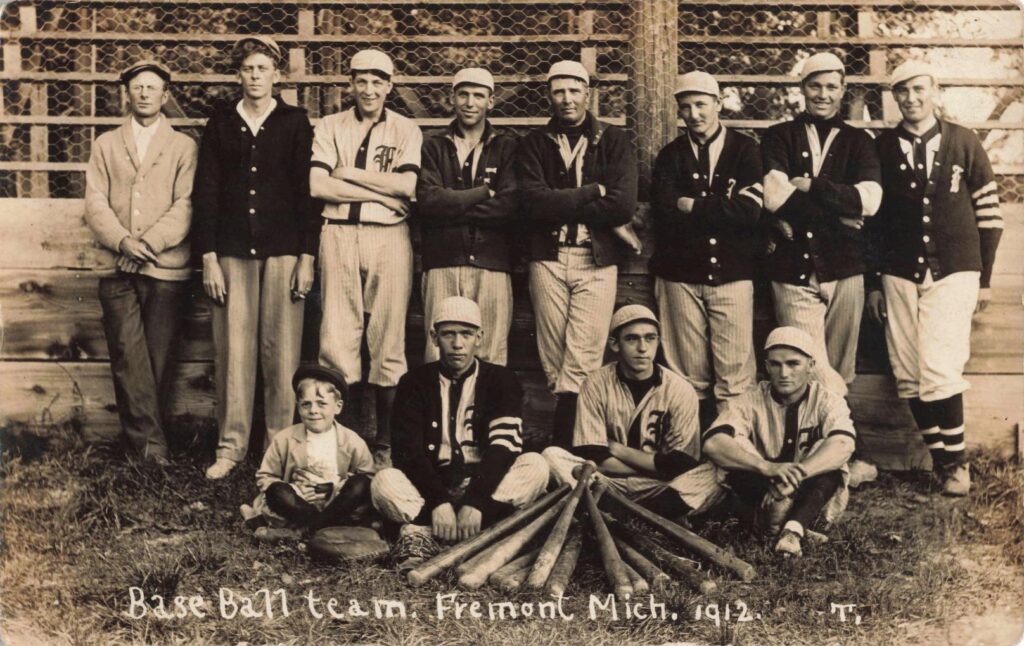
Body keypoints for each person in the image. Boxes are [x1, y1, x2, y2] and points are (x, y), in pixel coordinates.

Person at [865, 61, 1003, 496]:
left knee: (941, 365)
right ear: (894, 97)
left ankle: (956, 465)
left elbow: (989, 212)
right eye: (902, 91)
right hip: (899, 271)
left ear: (934, 90)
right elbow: (872, 223)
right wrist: (873, 283)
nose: (911, 98)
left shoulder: (963, 140)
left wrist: (984, 278)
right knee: (907, 369)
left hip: (955, 268)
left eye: (919, 89)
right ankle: (943, 462)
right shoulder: (882, 147)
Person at [193, 35, 318, 480]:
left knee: (282, 355)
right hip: (231, 253)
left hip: (285, 252)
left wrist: (307, 256)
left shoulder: (294, 121)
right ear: (238, 75)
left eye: (263, 69)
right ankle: (230, 448)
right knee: (234, 352)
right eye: (247, 69)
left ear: (276, 75)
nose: (255, 76)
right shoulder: (221, 122)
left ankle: (279, 450)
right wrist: (208, 256)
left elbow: (307, 193)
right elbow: (206, 191)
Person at [370, 297, 549, 571]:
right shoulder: (413, 382)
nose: (457, 344)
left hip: (484, 486)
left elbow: (504, 446)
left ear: (479, 337)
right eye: (448, 334)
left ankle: (425, 534)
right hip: (431, 488)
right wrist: (439, 502)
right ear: (434, 337)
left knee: (536, 466)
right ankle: (481, 533)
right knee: (384, 481)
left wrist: (475, 502)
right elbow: (408, 452)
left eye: (466, 334)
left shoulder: (501, 380)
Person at [517, 60, 639, 448]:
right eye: (559, 91)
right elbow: (532, 204)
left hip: (595, 259)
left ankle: (568, 446)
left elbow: (622, 205)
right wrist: (592, 192)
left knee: (584, 357)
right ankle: (574, 443)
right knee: (553, 357)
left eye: (574, 91)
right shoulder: (534, 143)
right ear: (549, 96)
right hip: (548, 258)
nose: (567, 99)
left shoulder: (613, 139)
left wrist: (560, 202)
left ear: (588, 93)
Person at [310, 49, 423, 459]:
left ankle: (384, 445)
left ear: (389, 86)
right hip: (338, 233)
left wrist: (349, 174)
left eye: (378, 82)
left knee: (388, 339)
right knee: (337, 337)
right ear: (351, 84)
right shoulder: (330, 125)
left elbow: (407, 186)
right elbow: (318, 186)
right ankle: (345, 444)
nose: (369, 89)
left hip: (388, 236)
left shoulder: (406, 129)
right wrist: (381, 192)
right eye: (361, 81)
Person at [84, 59, 197, 466]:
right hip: (116, 264)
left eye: (153, 87)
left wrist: (147, 243)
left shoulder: (183, 146)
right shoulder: (105, 144)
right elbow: (95, 201)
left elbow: (186, 204)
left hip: (166, 268)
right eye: (137, 87)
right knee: (127, 354)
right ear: (127, 94)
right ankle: (152, 451)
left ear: (165, 96)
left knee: (156, 358)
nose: (145, 93)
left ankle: (143, 446)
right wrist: (123, 242)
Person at [761, 52, 883, 396]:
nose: (823, 94)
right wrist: (839, 215)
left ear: (842, 90)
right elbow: (774, 194)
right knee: (808, 365)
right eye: (815, 86)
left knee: (841, 370)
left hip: (847, 269)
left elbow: (870, 200)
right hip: (793, 268)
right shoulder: (778, 136)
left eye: (831, 87)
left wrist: (811, 186)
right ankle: (826, 430)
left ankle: (835, 429)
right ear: (802, 88)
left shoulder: (860, 142)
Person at [650, 70, 764, 431]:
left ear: (718, 103)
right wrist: (720, 208)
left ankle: (735, 444)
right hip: (680, 275)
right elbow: (665, 213)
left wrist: (693, 206)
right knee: (686, 373)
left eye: (701, 104)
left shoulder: (745, 149)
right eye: (686, 107)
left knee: (735, 374)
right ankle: (690, 445)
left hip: (732, 274)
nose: (694, 114)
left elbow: (750, 212)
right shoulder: (670, 156)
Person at [543, 305, 724, 520]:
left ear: (658, 341)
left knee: (712, 475)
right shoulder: (595, 383)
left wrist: (616, 448)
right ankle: (651, 517)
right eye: (632, 339)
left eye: (650, 338)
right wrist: (657, 465)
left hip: (661, 486)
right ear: (615, 344)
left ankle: (620, 514)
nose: (642, 348)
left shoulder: (680, 389)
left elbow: (680, 464)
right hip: (608, 481)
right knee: (552, 456)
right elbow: (594, 454)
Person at [703, 326, 857, 557]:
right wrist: (768, 468)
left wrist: (797, 475)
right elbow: (713, 443)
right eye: (775, 364)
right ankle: (791, 527)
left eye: (793, 364)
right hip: (763, 487)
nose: (784, 373)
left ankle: (791, 531)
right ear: (766, 367)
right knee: (735, 450)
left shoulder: (828, 400)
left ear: (811, 366)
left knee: (832, 459)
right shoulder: (750, 399)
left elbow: (844, 444)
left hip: (809, 489)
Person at [416, 67, 518, 365]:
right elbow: (429, 202)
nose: (470, 103)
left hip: (492, 262)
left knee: (490, 353)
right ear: (453, 98)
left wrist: (452, 205)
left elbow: (509, 206)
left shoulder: (507, 146)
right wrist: (484, 193)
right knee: (439, 352)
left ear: (491, 101)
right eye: (463, 94)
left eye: (478, 95)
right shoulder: (433, 145)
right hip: (443, 260)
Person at [241, 364, 375, 540]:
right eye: (306, 404)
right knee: (276, 491)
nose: (313, 411)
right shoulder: (285, 438)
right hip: (299, 503)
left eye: (322, 404)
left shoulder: (351, 441)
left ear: (338, 407)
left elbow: (367, 476)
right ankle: (324, 527)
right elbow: (266, 476)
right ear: (298, 407)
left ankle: (303, 531)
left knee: (361, 484)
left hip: (336, 501)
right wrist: (296, 490)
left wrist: (334, 488)